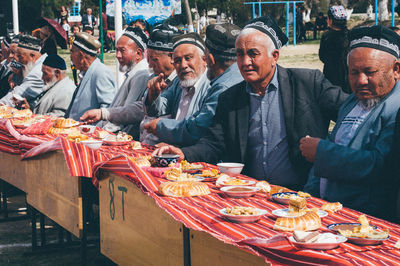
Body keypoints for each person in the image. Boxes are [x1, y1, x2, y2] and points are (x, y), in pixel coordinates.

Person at [153, 15, 348, 190]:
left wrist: (325, 148)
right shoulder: (230, 98)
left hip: (301, 193)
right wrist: (183, 153)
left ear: (274, 56)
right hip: (249, 194)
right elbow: (213, 144)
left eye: (253, 54)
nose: (245, 62)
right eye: (240, 54)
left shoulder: (308, 83)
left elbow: (351, 115)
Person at [301, 25, 400, 220]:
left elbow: (381, 166)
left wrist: (321, 152)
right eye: (354, 72)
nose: (361, 80)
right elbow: (331, 144)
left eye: (369, 72)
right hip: (326, 211)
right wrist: (308, 197)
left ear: (396, 70)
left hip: (364, 220)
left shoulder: (395, 110)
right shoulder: (353, 101)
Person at [143, 32, 212, 146]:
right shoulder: (178, 83)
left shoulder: (210, 87)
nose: (183, 65)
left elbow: (200, 130)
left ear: (204, 60)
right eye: (178, 60)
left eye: (188, 58)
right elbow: (160, 110)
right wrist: (153, 95)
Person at [80, 26, 150, 139]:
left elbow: (127, 116)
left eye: (122, 50)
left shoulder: (141, 74)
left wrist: (101, 134)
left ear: (138, 53)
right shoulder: (133, 72)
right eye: (116, 50)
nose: (117, 55)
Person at [139, 24, 182, 145]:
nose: (150, 65)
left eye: (154, 59)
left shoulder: (181, 83)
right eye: (149, 59)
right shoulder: (155, 77)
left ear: (171, 57)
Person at [65, 32, 116, 120]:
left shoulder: (101, 73)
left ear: (81, 55)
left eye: (72, 52)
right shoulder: (86, 72)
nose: (70, 56)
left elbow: (108, 112)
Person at [0, 35, 47, 108]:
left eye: (20, 57)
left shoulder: (39, 72)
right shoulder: (31, 66)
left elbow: (18, 94)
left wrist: (2, 104)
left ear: (32, 56)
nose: (17, 60)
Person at [319, 5, 350, 93]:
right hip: (348, 74)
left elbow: (322, 56)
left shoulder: (327, 36)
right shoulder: (350, 35)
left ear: (331, 20)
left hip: (331, 73)